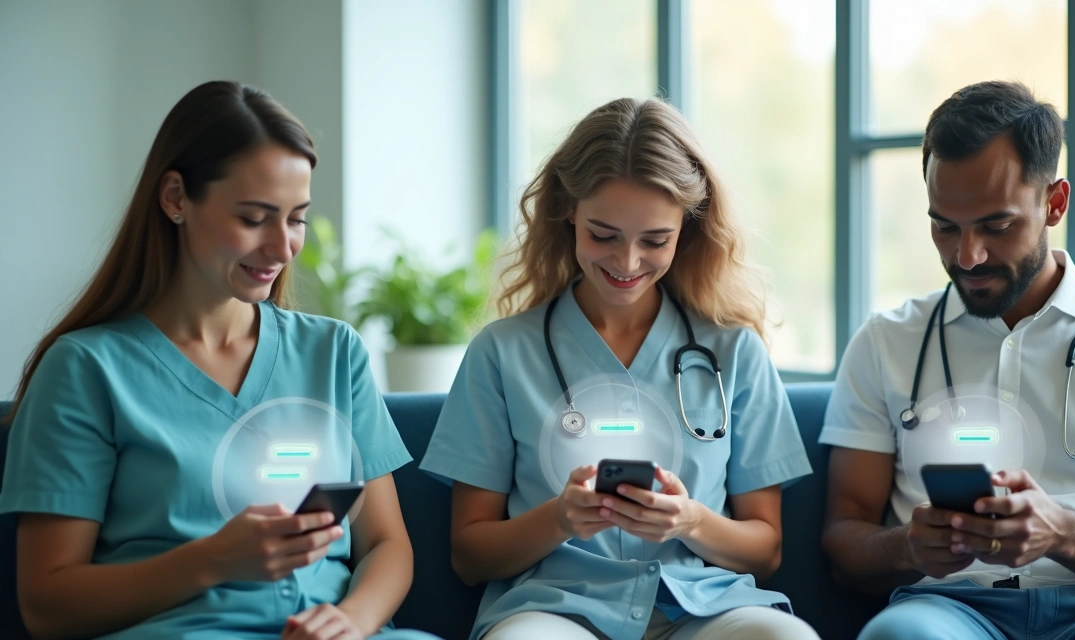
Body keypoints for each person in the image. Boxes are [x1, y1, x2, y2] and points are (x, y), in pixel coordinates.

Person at [0, 81, 437, 640]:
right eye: (255, 218)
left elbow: (386, 544)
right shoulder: (86, 369)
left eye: (296, 218)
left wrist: (351, 620)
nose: (283, 248)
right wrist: (213, 560)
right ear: (176, 198)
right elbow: (48, 607)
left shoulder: (334, 352)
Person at [819, 80, 1075, 639]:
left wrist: (1064, 533)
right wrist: (908, 547)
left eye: (996, 226)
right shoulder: (886, 341)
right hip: (949, 608)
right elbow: (844, 542)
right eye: (944, 226)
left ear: (1054, 203)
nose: (967, 256)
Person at [419, 97, 819, 640]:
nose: (627, 263)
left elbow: (765, 550)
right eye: (602, 235)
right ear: (568, 213)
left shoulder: (734, 351)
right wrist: (560, 519)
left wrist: (691, 520)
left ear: (689, 228)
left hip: (702, 609)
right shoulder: (501, 354)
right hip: (555, 611)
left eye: (655, 241)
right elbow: (470, 555)